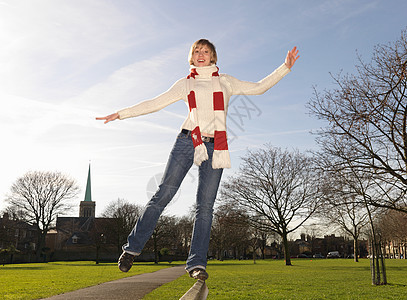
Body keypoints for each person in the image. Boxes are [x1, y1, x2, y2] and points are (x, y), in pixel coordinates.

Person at [96, 39, 299, 280]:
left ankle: (196, 264)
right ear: (191, 57)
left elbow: (259, 87)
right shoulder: (185, 84)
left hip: (215, 147)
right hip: (187, 142)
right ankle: (131, 249)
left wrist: (284, 68)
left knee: (205, 207)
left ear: (213, 57)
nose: (201, 54)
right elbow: (155, 103)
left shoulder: (226, 82)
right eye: (196, 51)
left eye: (206, 51)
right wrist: (121, 114)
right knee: (164, 194)